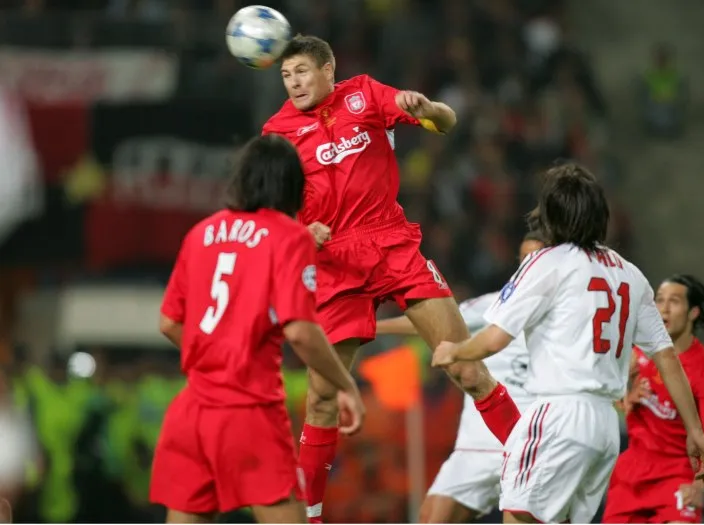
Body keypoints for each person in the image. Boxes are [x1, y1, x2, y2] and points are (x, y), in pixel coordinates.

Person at [263, 35, 518, 522]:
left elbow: (444, 121)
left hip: (391, 244)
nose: (293, 82)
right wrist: (300, 229)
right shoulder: (276, 132)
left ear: (328, 69)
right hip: (333, 264)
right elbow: (267, 208)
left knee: (463, 364)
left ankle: (536, 467)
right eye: (285, 75)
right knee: (321, 398)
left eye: (301, 71)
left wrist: (428, 107)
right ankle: (309, 516)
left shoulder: (363, 93)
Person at [432, 162, 704, 524]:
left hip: (558, 416)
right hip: (605, 431)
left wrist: (454, 350)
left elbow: (494, 338)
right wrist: (694, 430)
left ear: (551, 215)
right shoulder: (631, 275)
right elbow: (667, 358)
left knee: (518, 518)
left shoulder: (548, 262)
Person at [149, 135, 365, 524]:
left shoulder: (200, 233)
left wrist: (214, 354)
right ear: (293, 187)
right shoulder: (288, 236)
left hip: (191, 412)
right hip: (249, 413)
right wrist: (346, 386)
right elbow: (300, 331)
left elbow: (169, 322)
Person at [377, 231, 545, 523]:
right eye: (524, 259)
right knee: (431, 517)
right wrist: (372, 328)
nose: (528, 266)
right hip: (477, 443)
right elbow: (428, 321)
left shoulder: (569, 312)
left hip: (530, 440)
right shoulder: (494, 304)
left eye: (537, 258)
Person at [603, 274, 704, 524]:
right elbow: (608, 400)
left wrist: (699, 485)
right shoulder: (639, 355)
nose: (664, 308)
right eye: (659, 300)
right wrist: (626, 396)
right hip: (631, 478)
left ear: (693, 312)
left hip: (675, 478)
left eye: (675, 301)